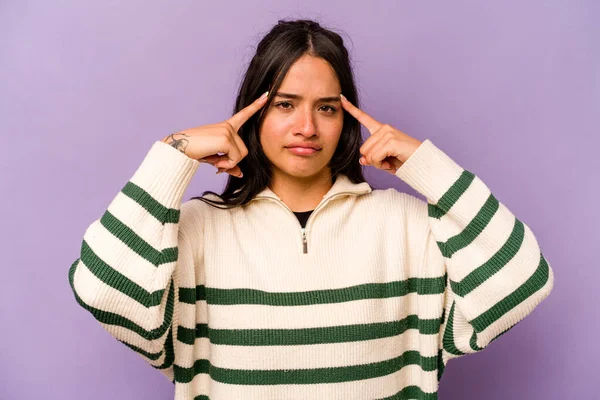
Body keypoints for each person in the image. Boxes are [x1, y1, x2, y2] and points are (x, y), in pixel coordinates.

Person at [68, 18, 554, 400]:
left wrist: (428, 166)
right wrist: (171, 154)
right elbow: (101, 289)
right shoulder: (196, 228)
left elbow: (524, 279)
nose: (307, 126)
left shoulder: (407, 225)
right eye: (284, 104)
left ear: (344, 119)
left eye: (326, 107)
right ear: (254, 113)